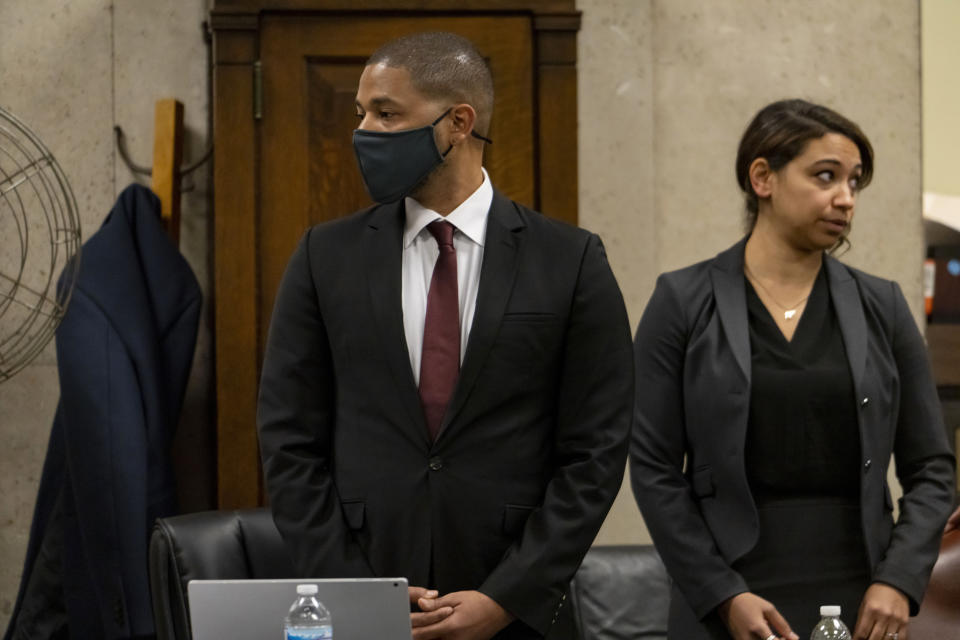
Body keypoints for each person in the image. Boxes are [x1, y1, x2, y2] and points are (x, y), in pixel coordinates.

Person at [256, 31, 633, 640]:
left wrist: (506, 596)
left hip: (516, 609)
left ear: (459, 122)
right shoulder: (324, 256)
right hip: (364, 594)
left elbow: (596, 452)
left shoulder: (571, 260)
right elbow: (287, 440)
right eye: (361, 114)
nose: (364, 133)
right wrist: (359, 594)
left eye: (386, 113)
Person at [630, 99, 956, 640]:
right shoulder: (682, 300)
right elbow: (652, 468)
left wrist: (899, 580)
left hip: (861, 592)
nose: (845, 198)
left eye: (854, 182)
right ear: (763, 177)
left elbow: (932, 469)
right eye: (825, 176)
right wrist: (721, 594)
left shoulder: (884, 305)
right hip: (726, 593)